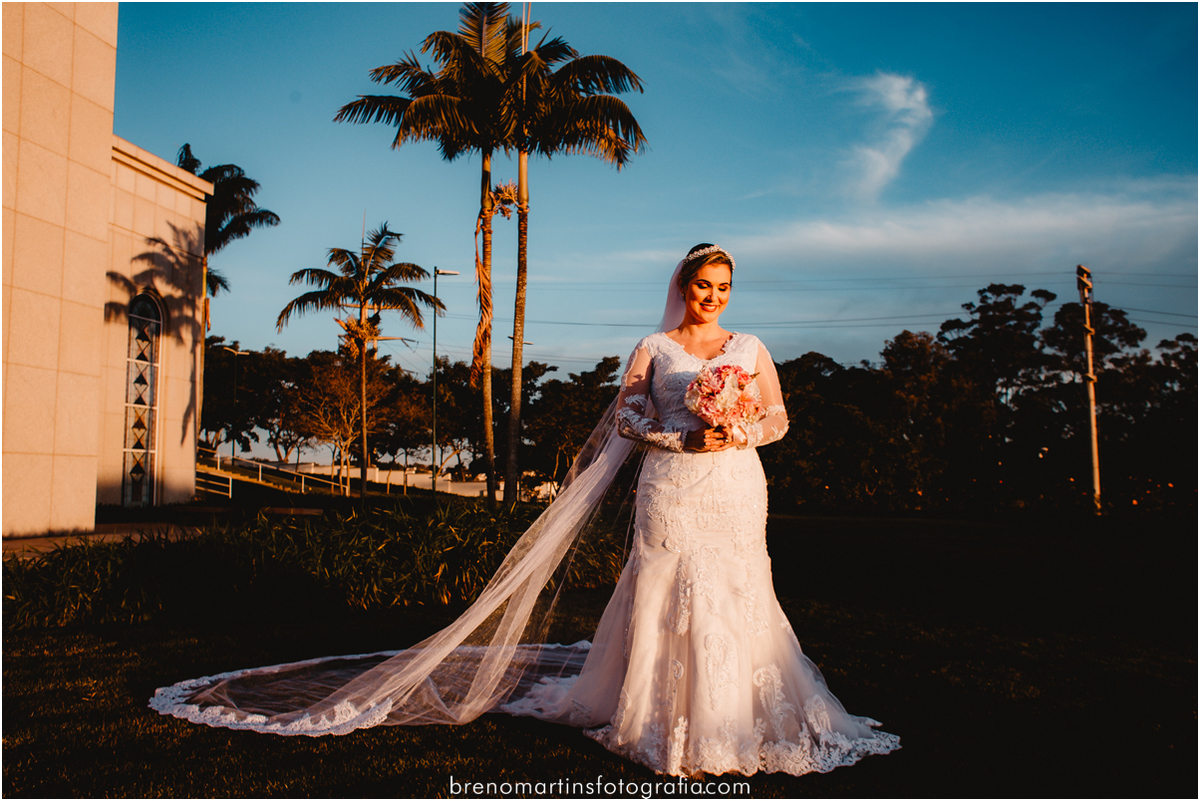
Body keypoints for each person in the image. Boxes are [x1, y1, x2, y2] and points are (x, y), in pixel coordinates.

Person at [150, 244, 898, 778]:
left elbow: (780, 419)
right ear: (684, 285)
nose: (713, 296)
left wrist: (736, 428)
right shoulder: (654, 346)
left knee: (738, 589)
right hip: (672, 485)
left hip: (734, 485)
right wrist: (682, 432)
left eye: (724, 285)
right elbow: (628, 420)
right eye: (703, 284)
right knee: (664, 588)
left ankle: (738, 716)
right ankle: (658, 719)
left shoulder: (752, 344)